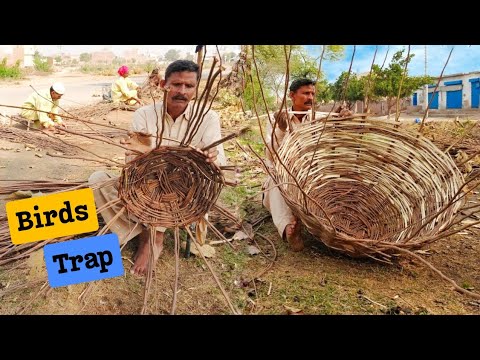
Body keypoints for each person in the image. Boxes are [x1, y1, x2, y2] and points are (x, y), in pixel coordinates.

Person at [89, 60, 226, 276]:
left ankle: (155, 237)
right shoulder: (144, 115)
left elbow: (219, 164)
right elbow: (133, 164)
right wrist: (137, 154)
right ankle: (143, 234)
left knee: (170, 187)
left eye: (189, 86)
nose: (182, 91)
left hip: (185, 193)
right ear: (163, 84)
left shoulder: (208, 118)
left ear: (196, 89)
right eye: (176, 84)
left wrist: (211, 158)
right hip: (146, 186)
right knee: (98, 179)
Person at [263, 78, 320, 252]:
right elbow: (271, 157)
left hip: (309, 176)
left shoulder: (319, 119)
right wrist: (280, 130)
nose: (310, 97)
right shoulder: (275, 119)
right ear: (292, 96)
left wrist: (342, 120)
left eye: (312, 93)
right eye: (305, 93)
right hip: (282, 175)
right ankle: (289, 228)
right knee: (278, 180)